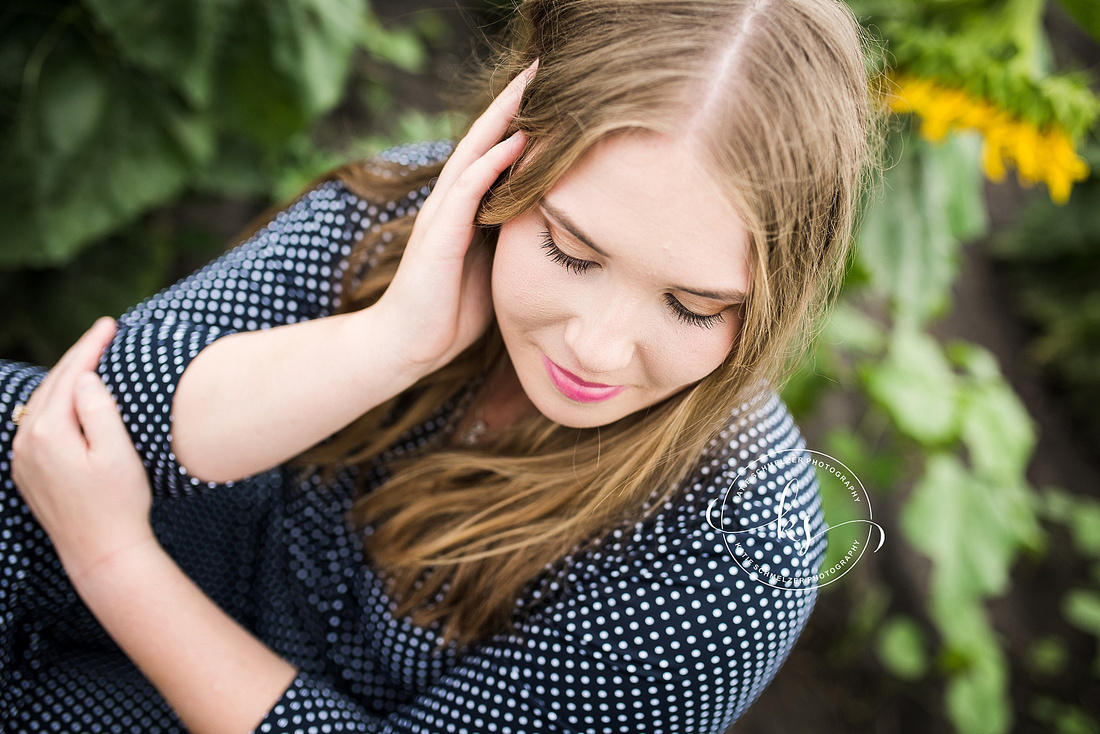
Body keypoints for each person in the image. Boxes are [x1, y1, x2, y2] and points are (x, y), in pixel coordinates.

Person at [1, 0, 876, 731]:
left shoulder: (738, 549)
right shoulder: (428, 214)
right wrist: (392, 342)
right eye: (571, 251)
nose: (597, 349)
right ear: (510, 164)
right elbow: (97, 425)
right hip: (127, 586)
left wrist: (115, 563)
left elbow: (90, 503)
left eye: (693, 307)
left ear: (776, 302)